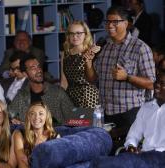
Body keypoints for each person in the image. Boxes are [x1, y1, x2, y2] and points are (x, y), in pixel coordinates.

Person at [84, 6, 155, 134]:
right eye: (108, 22)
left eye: (115, 22)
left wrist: (127, 77)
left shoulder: (140, 48)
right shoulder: (104, 46)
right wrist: (88, 63)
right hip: (105, 113)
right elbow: (93, 79)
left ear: (126, 23)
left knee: (126, 151)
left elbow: (151, 83)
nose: (110, 25)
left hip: (129, 113)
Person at [90, 70, 165, 168]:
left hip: (160, 158)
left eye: (162, 83)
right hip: (143, 157)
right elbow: (133, 135)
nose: (157, 85)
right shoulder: (146, 108)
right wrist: (131, 146)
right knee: (99, 162)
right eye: (157, 82)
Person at [8, 55, 74, 125]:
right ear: (25, 74)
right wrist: (13, 120)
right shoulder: (22, 95)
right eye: (33, 68)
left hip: (56, 133)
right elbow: (9, 113)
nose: (39, 70)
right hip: (30, 134)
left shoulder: (57, 92)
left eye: (39, 66)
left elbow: (74, 117)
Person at [60, 20, 100, 108]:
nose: (75, 36)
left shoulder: (90, 52)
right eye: (71, 33)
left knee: (87, 121)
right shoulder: (65, 54)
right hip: (70, 96)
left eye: (79, 33)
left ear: (85, 34)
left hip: (88, 96)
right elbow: (64, 81)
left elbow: (94, 78)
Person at [13, 102, 60, 168]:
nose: (36, 117)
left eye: (41, 114)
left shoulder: (55, 137)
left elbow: (56, 163)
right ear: (28, 117)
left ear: (46, 117)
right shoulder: (19, 134)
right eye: (32, 114)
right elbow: (22, 162)